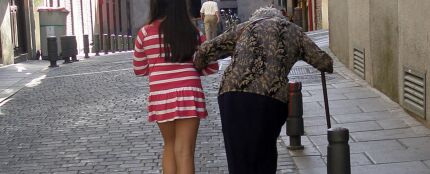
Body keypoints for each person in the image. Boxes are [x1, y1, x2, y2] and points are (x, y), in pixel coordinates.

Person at [193, 7, 333, 174]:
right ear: (281, 17)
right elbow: (324, 62)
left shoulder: (245, 27)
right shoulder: (294, 32)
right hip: (270, 98)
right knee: (265, 152)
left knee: (238, 156)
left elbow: (206, 50)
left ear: (256, 16)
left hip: (233, 94)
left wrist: (198, 65)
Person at [133, 0, 218, 173]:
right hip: (189, 92)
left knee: (169, 146)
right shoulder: (193, 32)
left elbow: (140, 69)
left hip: (161, 95)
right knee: (185, 151)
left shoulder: (145, 33)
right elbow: (212, 65)